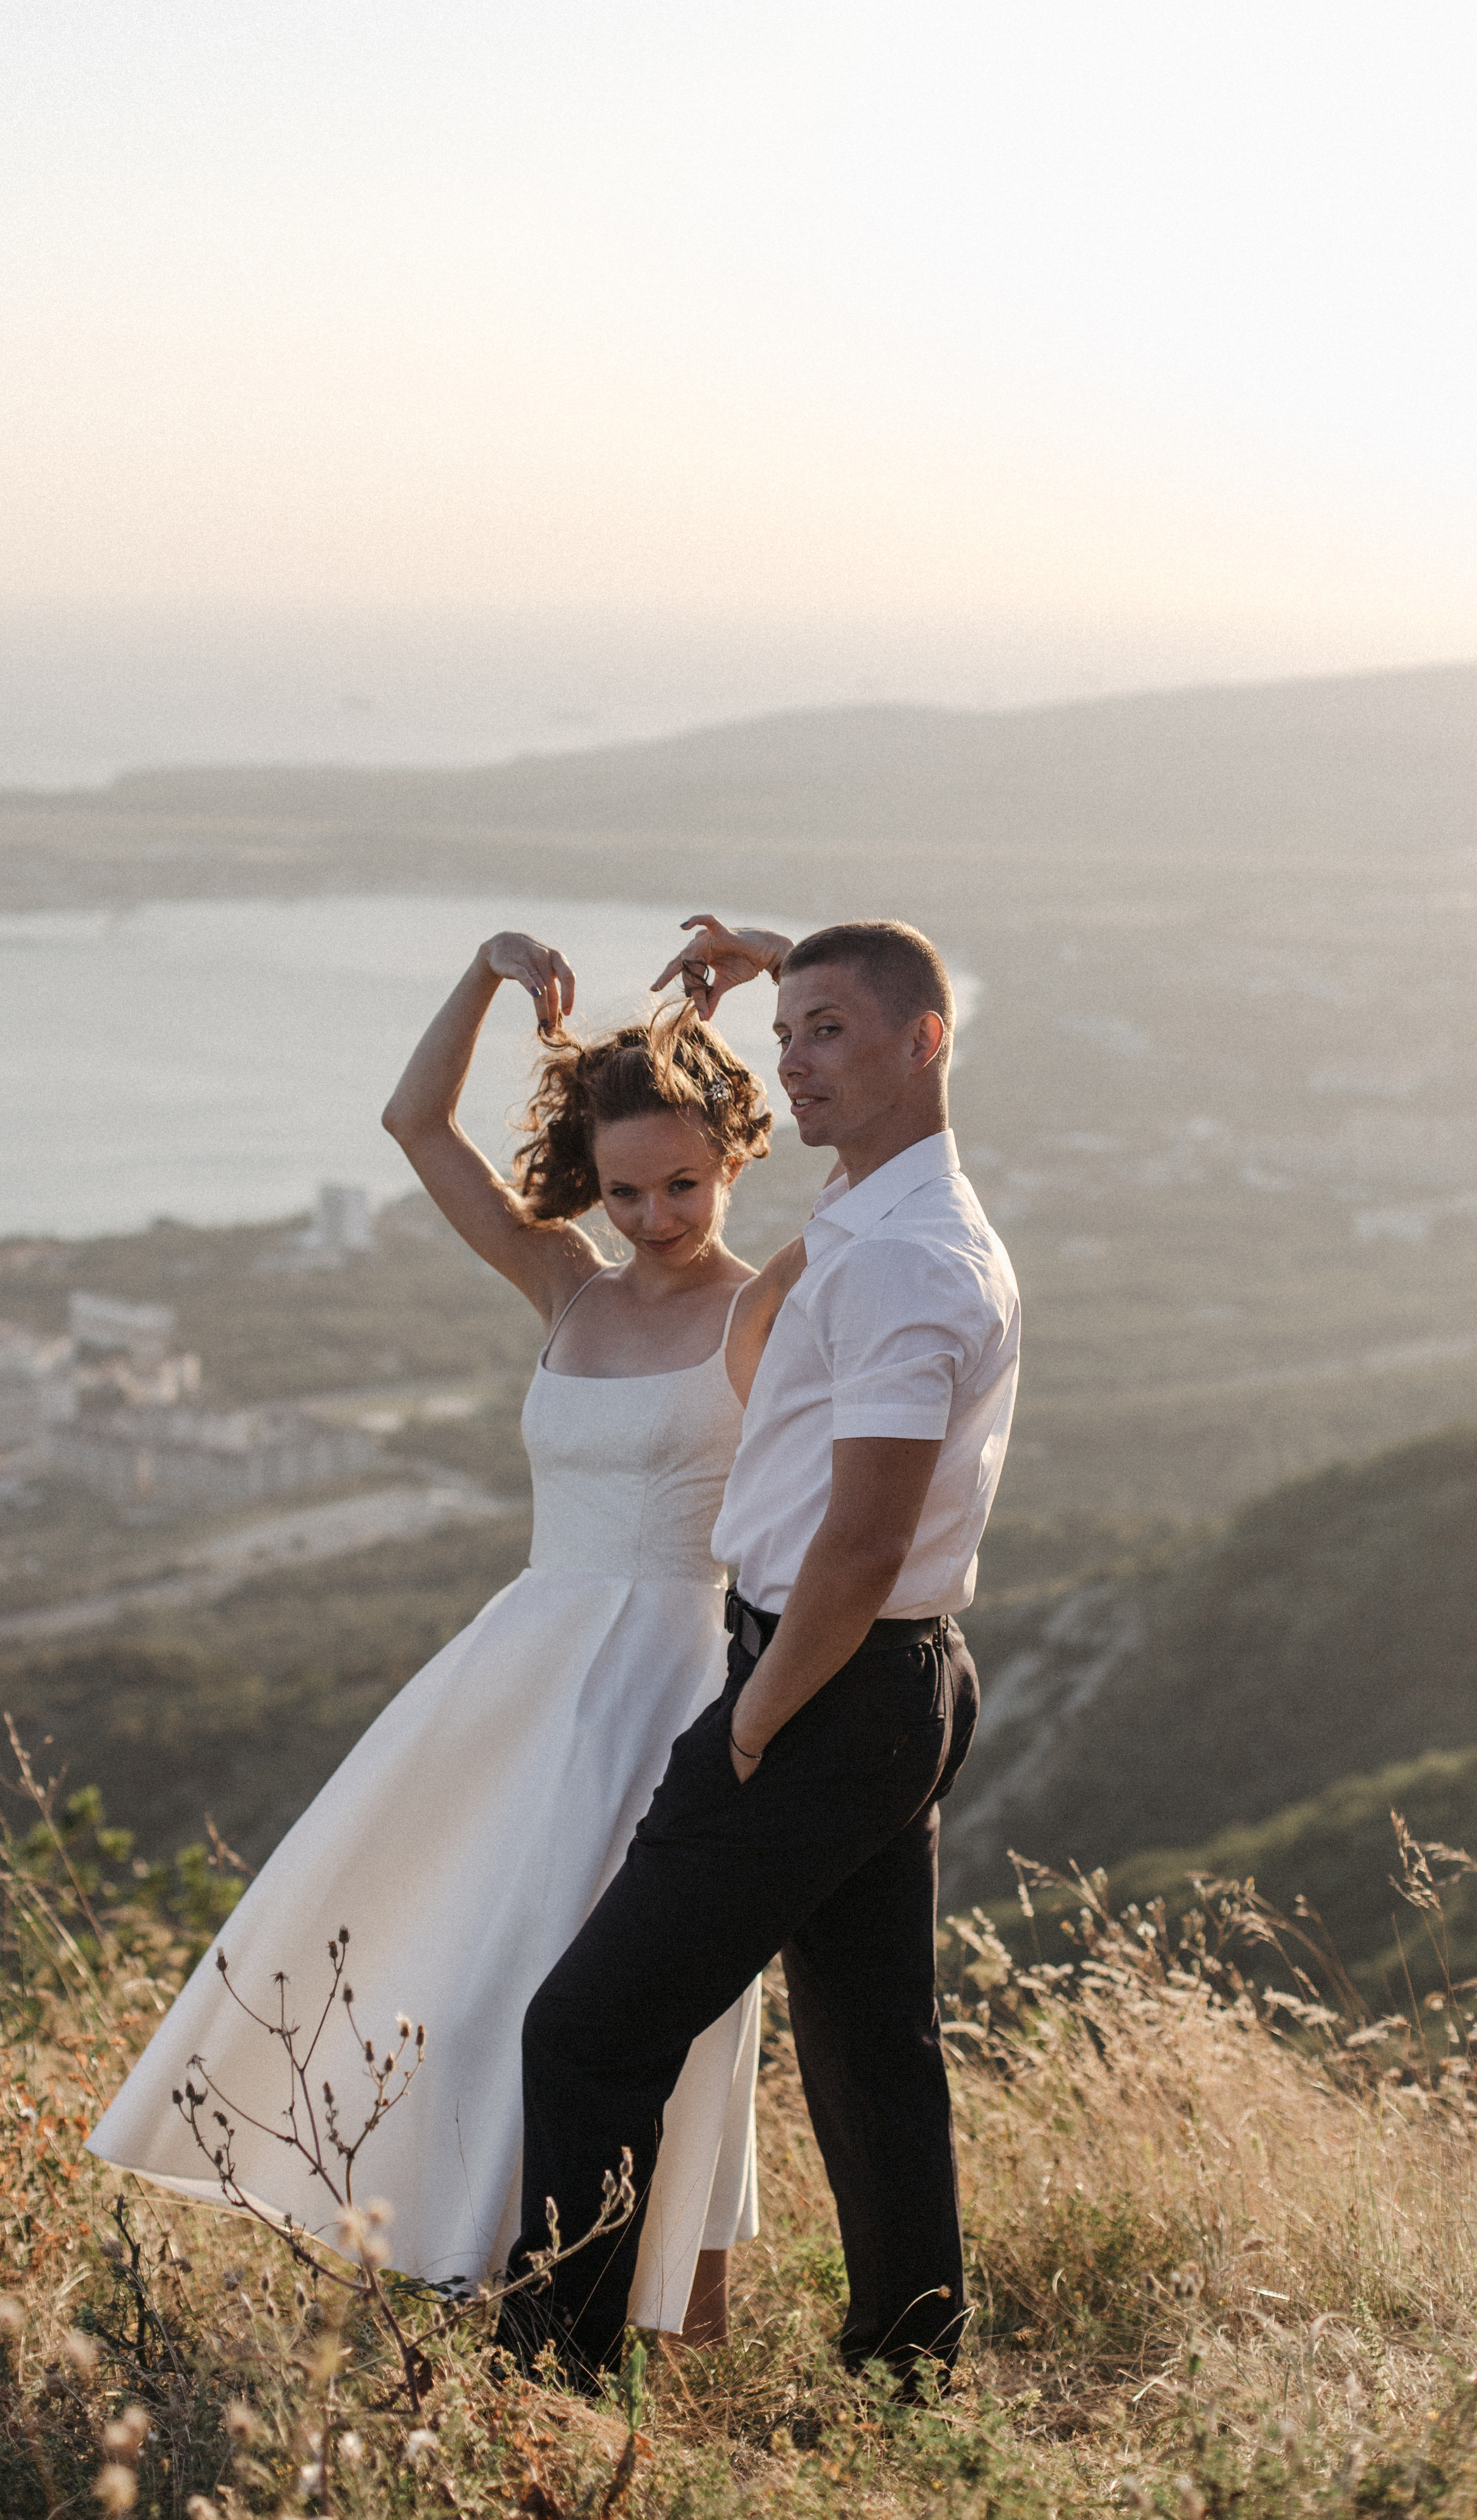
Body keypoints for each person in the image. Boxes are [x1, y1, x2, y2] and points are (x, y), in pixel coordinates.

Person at [88, 929, 805, 2345]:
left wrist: (792, 969)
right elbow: (415, 1122)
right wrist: (483, 978)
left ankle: (666, 2320)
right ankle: (472, 2271)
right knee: (470, 1972)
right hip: (524, 1675)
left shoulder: (770, 1297)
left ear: (731, 1155)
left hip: (675, 1681)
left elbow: (886, 1170)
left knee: (633, 2005)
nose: (657, 1216)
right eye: (625, 1190)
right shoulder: (568, 1287)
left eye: (684, 1183)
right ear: (585, 1183)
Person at [499, 913, 1021, 2392]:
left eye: (826, 1033)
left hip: (825, 1680)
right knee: (870, 2052)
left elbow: (859, 1546)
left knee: (587, 2030)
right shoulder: (868, 1209)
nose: (791, 1064)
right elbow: (882, 1002)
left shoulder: (910, 1260)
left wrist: (744, 1729)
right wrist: (789, 963)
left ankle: (550, 2389)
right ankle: (908, 2367)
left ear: (925, 1042)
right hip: (875, 1679)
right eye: (784, 1033)